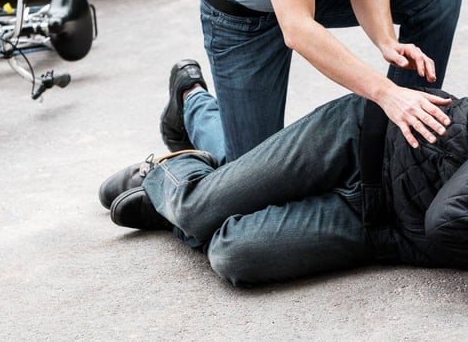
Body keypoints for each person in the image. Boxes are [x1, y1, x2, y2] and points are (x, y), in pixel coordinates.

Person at [100, 61, 468, 287]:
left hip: (386, 229)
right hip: (364, 140)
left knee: (233, 254)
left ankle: (179, 201)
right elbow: (447, 219)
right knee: (196, 208)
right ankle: (179, 143)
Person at [163, 0, 463, 162]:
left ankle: (394, 153)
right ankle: (191, 101)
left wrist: (386, 40)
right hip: (242, 15)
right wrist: (386, 93)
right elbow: (297, 27)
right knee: (250, 174)